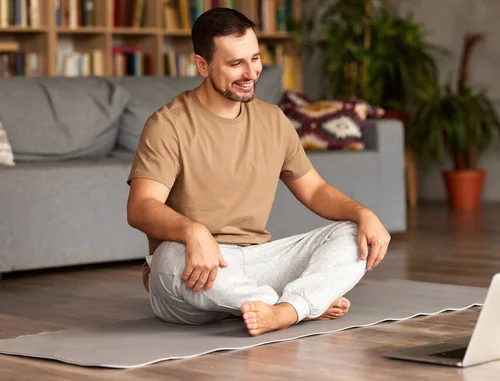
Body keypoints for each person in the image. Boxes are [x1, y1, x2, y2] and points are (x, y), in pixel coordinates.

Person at [126, 7, 391, 337]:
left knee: (354, 234)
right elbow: (140, 207)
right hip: (194, 273)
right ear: (202, 65)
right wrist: (194, 232)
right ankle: (297, 305)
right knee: (167, 257)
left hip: (256, 263)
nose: (250, 73)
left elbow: (314, 191)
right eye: (235, 63)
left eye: (255, 59)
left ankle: (281, 310)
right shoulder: (167, 124)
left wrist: (364, 213)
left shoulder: (273, 119)